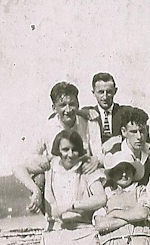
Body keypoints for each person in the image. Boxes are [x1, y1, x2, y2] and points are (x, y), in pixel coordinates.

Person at [14, 81, 103, 213]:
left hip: (82, 177)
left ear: (78, 105)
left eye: (72, 104)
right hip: (57, 179)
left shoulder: (89, 124)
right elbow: (22, 162)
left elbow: (99, 153)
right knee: (39, 178)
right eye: (62, 105)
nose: (68, 110)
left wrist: (97, 159)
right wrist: (39, 161)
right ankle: (51, 218)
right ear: (54, 107)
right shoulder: (46, 128)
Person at [103, 106, 150, 185]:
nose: (139, 137)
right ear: (124, 132)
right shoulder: (114, 153)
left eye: (142, 131)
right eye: (133, 132)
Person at [84, 73, 128, 143]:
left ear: (115, 91)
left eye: (109, 92)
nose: (105, 97)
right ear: (93, 92)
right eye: (101, 92)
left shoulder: (125, 112)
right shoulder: (88, 112)